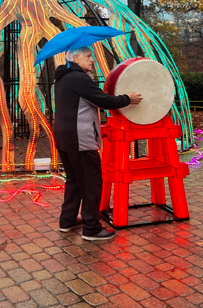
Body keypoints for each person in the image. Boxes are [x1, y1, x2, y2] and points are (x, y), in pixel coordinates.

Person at [54, 47, 142, 241]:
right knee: (91, 183)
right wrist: (129, 99)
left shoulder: (63, 77)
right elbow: (104, 100)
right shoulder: (78, 78)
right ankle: (91, 229)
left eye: (91, 56)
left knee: (74, 180)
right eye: (88, 56)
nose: (91, 60)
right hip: (79, 138)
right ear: (75, 58)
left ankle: (66, 221)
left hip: (64, 136)